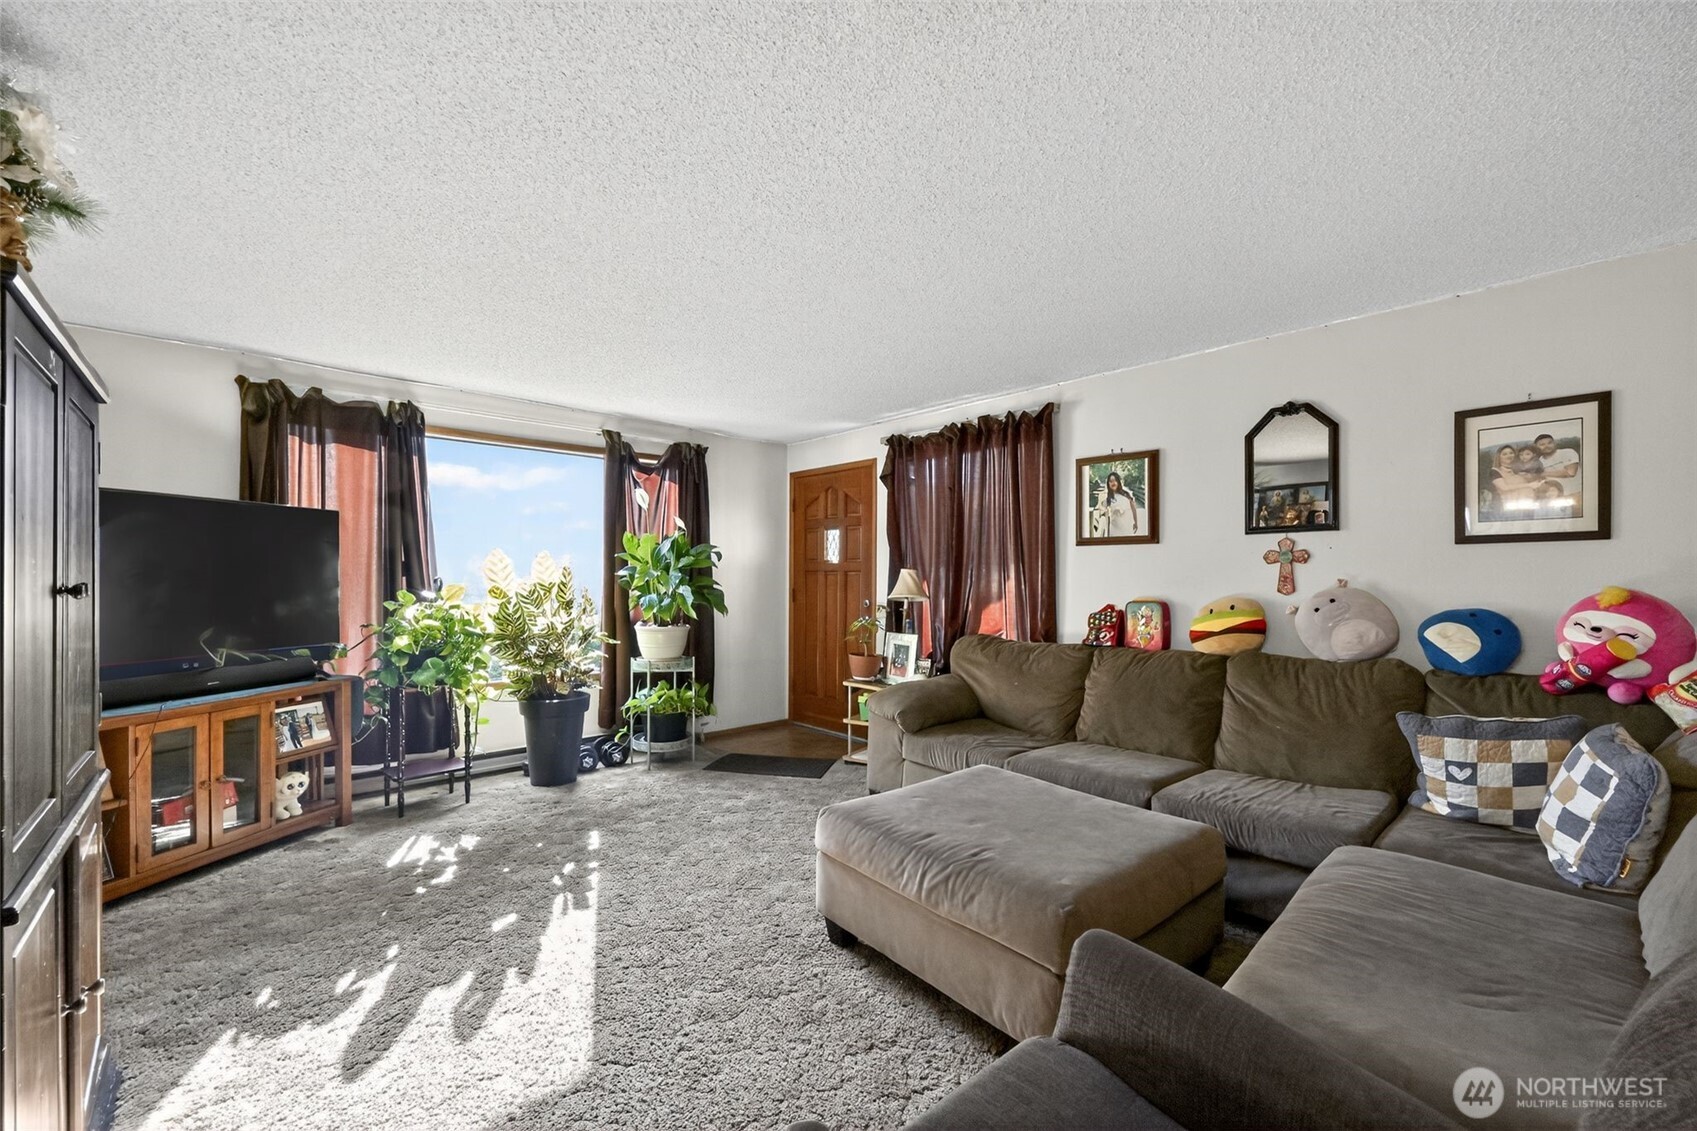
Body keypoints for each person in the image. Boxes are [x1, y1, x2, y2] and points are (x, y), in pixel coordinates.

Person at [1488, 444, 1537, 514]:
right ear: (1499, 457)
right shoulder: (1495, 471)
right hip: (1511, 509)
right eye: (1505, 454)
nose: (1509, 456)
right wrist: (1528, 485)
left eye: (1511, 453)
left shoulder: (1520, 469)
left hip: (1529, 505)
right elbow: (1504, 487)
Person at [1095, 471, 1139, 536]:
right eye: (1111, 481)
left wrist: (1136, 522)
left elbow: (1133, 508)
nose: (1113, 483)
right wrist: (1105, 510)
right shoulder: (1108, 498)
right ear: (1108, 484)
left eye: (1115, 480)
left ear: (1118, 482)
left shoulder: (1126, 494)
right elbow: (1100, 507)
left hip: (1126, 528)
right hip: (1114, 530)